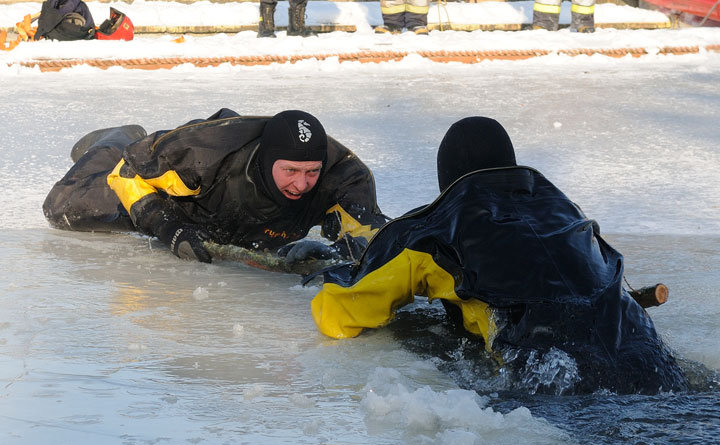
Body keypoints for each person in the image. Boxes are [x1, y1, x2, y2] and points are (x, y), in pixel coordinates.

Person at [309, 116, 688, 394]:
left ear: (447, 176)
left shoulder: (429, 231)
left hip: (555, 375)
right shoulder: (564, 209)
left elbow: (342, 314)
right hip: (645, 353)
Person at [43, 109, 387, 264]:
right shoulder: (202, 158)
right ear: (267, 161)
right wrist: (168, 226)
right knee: (62, 207)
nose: (301, 184)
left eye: (311, 171)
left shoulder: (343, 177)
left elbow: (373, 232)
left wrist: (340, 254)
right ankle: (115, 138)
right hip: (176, 191)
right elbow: (127, 174)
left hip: (232, 206)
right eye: (291, 170)